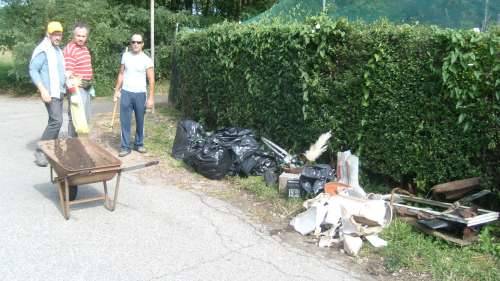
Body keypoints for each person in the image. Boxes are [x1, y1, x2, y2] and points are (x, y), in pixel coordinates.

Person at [29, 21, 66, 167]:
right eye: (54, 34)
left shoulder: (57, 50)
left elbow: (59, 70)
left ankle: (52, 151)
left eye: (59, 34)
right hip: (49, 92)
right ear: (48, 34)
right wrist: (42, 89)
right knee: (56, 121)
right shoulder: (43, 49)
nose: (57, 37)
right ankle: (40, 151)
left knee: (56, 121)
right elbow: (33, 70)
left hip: (59, 91)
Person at [113, 34, 155, 157]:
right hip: (126, 92)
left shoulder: (147, 60)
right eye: (133, 42)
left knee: (140, 120)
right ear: (130, 43)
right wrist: (117, 90)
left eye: (138, 42)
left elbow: (151, 80)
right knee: (124, 121)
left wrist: (151, 98)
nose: (135, 44)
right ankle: (125, 146)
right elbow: (121, 74)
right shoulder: (125, 56)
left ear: (142, 44)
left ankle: (139, 143)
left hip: (140, 94)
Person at [63, 22, 94, 137]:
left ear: (86, 37)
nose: (81, 38)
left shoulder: (84, 48)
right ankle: (73, 143)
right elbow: (68, 73)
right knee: (76, 116)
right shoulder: (70, 49)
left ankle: (81, 142)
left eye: (83, 36)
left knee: (85, 117)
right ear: (73, 35)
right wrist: (73, 92)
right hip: (77, 88)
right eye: (78, 36)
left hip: (86, 87)